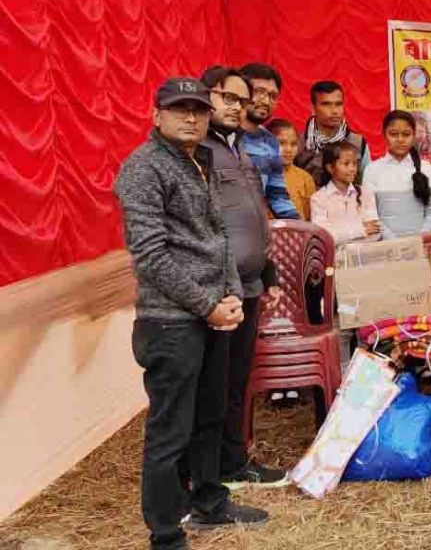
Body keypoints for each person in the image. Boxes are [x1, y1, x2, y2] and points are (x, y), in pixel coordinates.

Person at [114, 77, 269, 550]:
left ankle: (210, 502)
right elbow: (151, 256)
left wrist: (231, 295)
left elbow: (218, 238)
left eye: (198, 110)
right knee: (170, 432)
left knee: (209, 417)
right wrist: (208, 306)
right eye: (179, 109)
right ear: (156, 115)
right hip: (171, 321)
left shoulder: (200, 160)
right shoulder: (143, 168)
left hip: (212, 314)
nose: (190, 117)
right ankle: (165, 534)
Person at [198, 66, 287, 488]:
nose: (237, 107)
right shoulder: (198, 149)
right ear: (205, 97)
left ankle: (232, 462)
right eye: (228, 98)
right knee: (215, 385)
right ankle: (210, 471)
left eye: (241, 100)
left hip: (249, 282)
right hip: (220, 288)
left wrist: (267, 267)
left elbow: (254, 210)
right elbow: (203, 224)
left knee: (236, 380)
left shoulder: (239, 147)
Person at [362, 110, 431, 238]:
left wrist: (419, 238)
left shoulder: (426, 169)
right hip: (385, 246)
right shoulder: (372, 170)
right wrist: (394, 242)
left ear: (414, 136)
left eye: (406, 134)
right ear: (384, 135)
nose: (400, 139)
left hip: (419, 245)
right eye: (393, 134)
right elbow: (370, 214)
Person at [238, 63, 300, 219]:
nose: (266, 101)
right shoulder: (224, 135)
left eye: (273, 96)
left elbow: (277, 195)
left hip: (254, 227)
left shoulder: (271, 142)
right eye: (259, 92)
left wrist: (299, 227)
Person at [297, 81, 371, 187]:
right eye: (326, 104)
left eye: (338, 104)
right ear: (313, 108)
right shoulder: (298, 143)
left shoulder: (358, 143)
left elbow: (366, 184)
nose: (334, 111)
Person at [311, 142, 381, 246]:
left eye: (354, 163)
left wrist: (340, 232)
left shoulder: (365, 193)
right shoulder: (319, 198)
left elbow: (374, 232)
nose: (352, 169)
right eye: (346, 164)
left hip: (364, 253)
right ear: (330, 168)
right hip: (335, 256)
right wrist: (360, 230)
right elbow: (324, 237)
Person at [266, 118, 316, 221]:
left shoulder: (304, 178)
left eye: (293, 144)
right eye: (281, 143)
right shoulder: (258, 177)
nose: (288, 150)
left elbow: (311, 218)